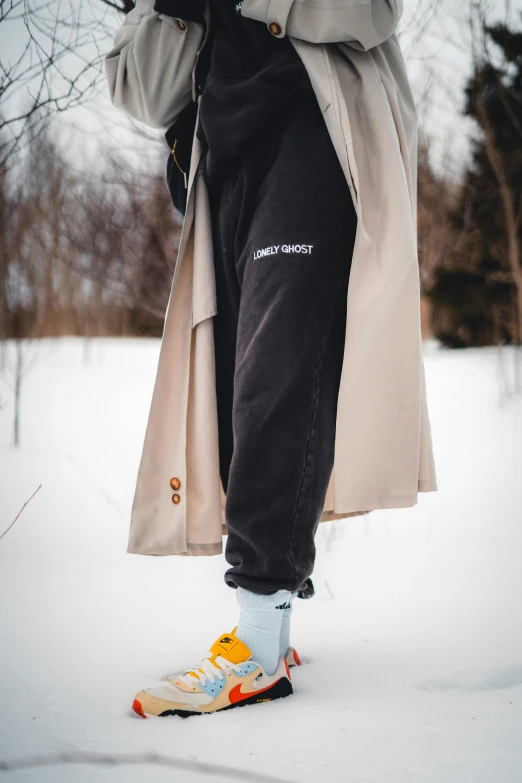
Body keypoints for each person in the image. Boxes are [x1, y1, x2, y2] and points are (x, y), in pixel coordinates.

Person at [105, 0, 437, 718]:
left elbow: (375, 11)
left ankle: (255, 644)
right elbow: (140, 91)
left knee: (276, 373)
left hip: (319, 135)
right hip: (222, 164)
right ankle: (273, 632)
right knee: (231, 396)